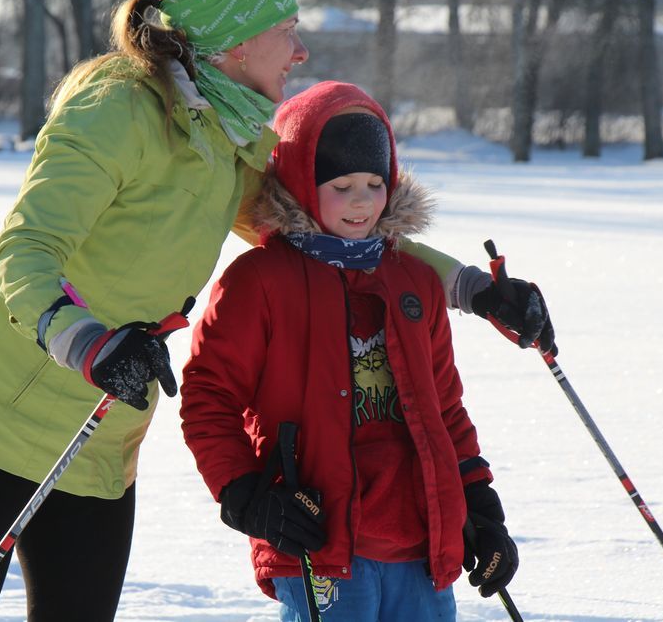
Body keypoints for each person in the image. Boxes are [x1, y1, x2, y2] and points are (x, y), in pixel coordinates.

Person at [0, 0, 552, 620]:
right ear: (235, 39)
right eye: (286, 32)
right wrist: (89, 343)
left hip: (95, 444)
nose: (300, 52)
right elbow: (23, 250)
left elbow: (336, 237)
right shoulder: (116, 107)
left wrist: (476, 289)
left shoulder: (227, 138)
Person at [180, 81, 522, 621]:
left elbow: (445, 408)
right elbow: (209, 397)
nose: (361, 200)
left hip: (421, 545)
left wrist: (478, 504)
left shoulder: (414, 281)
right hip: (316, 539)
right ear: (299, 182)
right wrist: (244, 494)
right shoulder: (259, 281)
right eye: (341, 185)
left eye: (373, 182)